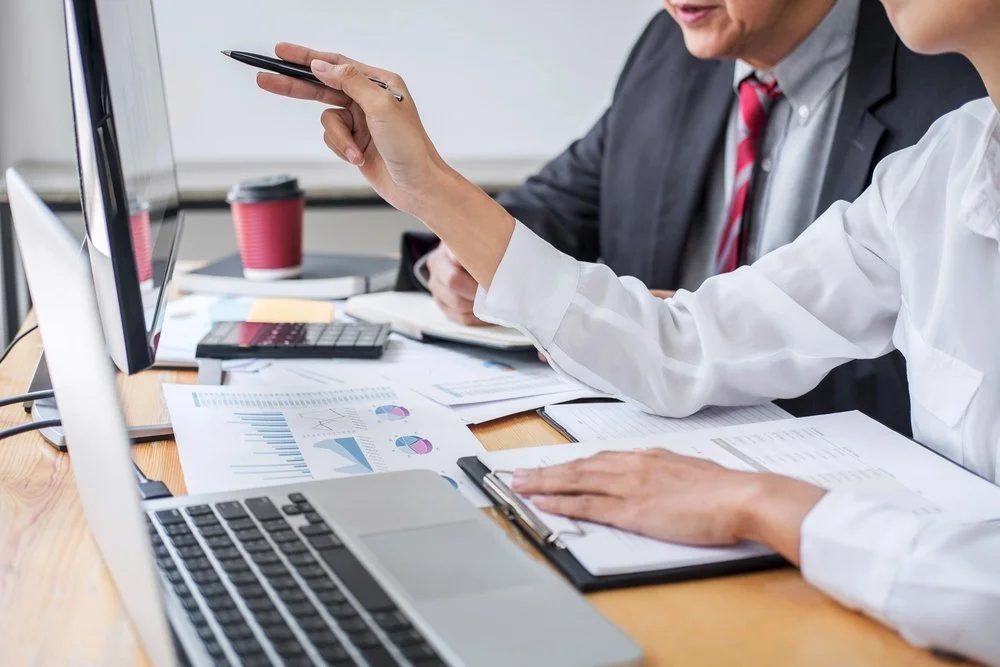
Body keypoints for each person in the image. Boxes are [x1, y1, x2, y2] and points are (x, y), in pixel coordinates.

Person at [259, 0, 1000, 661]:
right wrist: (430, 187)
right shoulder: (942, 170)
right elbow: (686, 342)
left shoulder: (929, 107)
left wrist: (760, 504)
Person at [395, 0, 985, 439]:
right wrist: (444, 214)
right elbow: (685, 338)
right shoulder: (672, 48)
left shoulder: (949, 68)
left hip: (848, 475)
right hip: (674, 436)